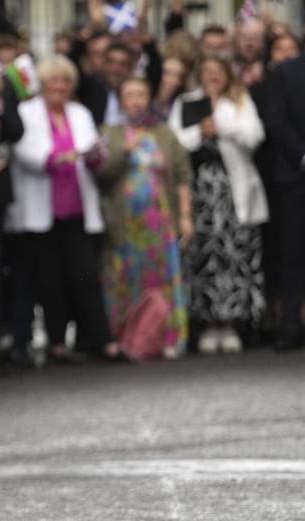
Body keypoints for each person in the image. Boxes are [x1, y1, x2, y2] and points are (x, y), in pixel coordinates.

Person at [7, 55, 119, 362]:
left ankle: (101, 338)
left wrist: (95, 155)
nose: (59, 86)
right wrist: (56, 157)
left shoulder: (79, 112)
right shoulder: (26, 112)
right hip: (40, 208)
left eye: (65, 81)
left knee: (84, 275)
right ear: (41, 84)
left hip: (77, 207)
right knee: (48, 279)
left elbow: (92, 150)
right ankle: (56, 342)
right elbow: (23, 151)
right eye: (53, 81)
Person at [169, 55, 267, 354]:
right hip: (199, 192)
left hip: (232, 190)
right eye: (207, 72)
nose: (212, 77)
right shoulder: (186, 102)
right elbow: (175, 143)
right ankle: (208, 324)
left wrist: (220, 125)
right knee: (204, 254)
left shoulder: (238, 101)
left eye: (218, 72)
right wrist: (200, 131)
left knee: (234, 254)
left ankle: (233, 322)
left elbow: (254, 135)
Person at [97, 76, 194, 359]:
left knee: (162, 278)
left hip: (160, 222)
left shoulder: (164, 133)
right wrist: (121, 153)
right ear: (121, 101)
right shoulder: (109, 132)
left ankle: (169, 337)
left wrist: (185, 216)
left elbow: (181, 176)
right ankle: (128, 338)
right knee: (124, 279)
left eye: (141, 94)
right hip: (124, 224)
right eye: (130, 95)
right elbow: (101, 175)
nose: (136, 100)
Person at [259, 51, 305, 351]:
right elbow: (274, 120)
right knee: (293, 253)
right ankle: (290, 324)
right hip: (295, 176)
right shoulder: (285, 72)